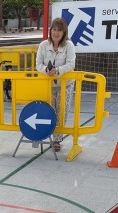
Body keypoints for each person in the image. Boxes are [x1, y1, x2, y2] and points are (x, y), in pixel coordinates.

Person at [36, 17, 76, 152]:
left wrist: (57, 71)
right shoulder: (43, 45)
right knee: (49, 111)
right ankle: (47, 135)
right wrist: (45, 70)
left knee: (61, 112)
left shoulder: (69, 45)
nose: (56, 33)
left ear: (64, 32)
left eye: (60, 30)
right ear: (50, 31)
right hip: (48, 85)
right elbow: (38, 64)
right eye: (54, 29)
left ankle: (57, 140)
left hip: (66, 85)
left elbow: (71, 64)